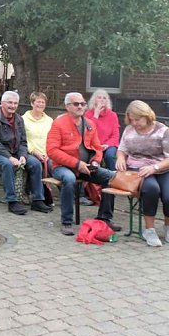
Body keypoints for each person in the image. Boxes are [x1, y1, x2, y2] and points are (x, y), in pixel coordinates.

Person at [47, 92, 119, 236]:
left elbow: (97, 148)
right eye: (76, 104)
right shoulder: (58, 123)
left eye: (82, 104)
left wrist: (95, 162)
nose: (80, 106)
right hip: (61, 166)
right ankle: (67, 222)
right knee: (69, 179)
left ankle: (104, 218)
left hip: (86, 167)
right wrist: (76, 163)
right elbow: (52, 151)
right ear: (67, 106)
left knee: (112, 177)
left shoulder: (90, 124)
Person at [116, 100, 169, 247]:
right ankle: (149, 230)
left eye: (138, 119)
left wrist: (155, 167)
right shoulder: (129, 130)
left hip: (163, 169)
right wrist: (120, 157)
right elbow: (122, 149)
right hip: (138, 170)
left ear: (146, 115)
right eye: (132, 120)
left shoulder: (162, 130)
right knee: (151, 189)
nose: (135, 123)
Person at [0, 91, 52, 215]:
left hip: (16, 152)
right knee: (8, 164)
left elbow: (23, 141)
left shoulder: (19, 119)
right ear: (2, 103)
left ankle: (38, 199)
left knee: (36, 164)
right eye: (10, 102)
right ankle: (12, 201)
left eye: (15, 103)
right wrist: (9, 157)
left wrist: (22, 155)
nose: (13, 105)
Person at [85, 89, 121, 171]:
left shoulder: (112, 115)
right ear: (94, 100)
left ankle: (114, 178)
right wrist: (96, 115)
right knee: (92, 158)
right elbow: (88, 132)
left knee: (109, 155)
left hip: (108, 145)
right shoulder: (88, 114)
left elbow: (115, 136)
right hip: (93, 145)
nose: (102, 100)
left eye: (104, 98)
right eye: (99, 97)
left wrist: (107, 145)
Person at [22, 91, 54, 175]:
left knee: (56, 165)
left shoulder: (50, 120)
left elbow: (52, 139)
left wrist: (49, 153)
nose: (41, 104)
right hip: (30, 153)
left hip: (47, 154)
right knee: (36, 165)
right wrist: (34, 151)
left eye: (43, 102)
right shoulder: (23, 120)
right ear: (32, 103)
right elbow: (22, 140)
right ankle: (38, 188)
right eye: (38, 102)